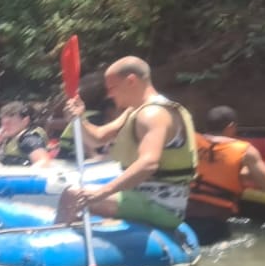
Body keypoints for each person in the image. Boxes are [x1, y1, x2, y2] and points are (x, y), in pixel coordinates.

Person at [56, 57, 198, 233]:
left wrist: (102, 193)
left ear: (131, 81)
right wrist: (78, 118)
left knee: (72, 195)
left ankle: (54, 245)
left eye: (112, 88)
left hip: (161, 203)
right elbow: (98, 137)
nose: (109, 95)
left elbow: (148, 164)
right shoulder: (135, 110)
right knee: (80, 191)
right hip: (141, 196)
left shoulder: (153, 114)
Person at [185, 106, 265, 244]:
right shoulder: (246, 152)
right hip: (214, 224)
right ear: (231, 126)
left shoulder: (190, 141)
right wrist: (244, 173)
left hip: (182, 217)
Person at [0, 101, 51, 166]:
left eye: (9, 123)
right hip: (6, 172)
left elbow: (44, 162)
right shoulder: (11, 138)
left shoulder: (29, 139)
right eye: (3, 123)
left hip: (11, 175)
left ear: (25, 121)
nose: (5, 127)